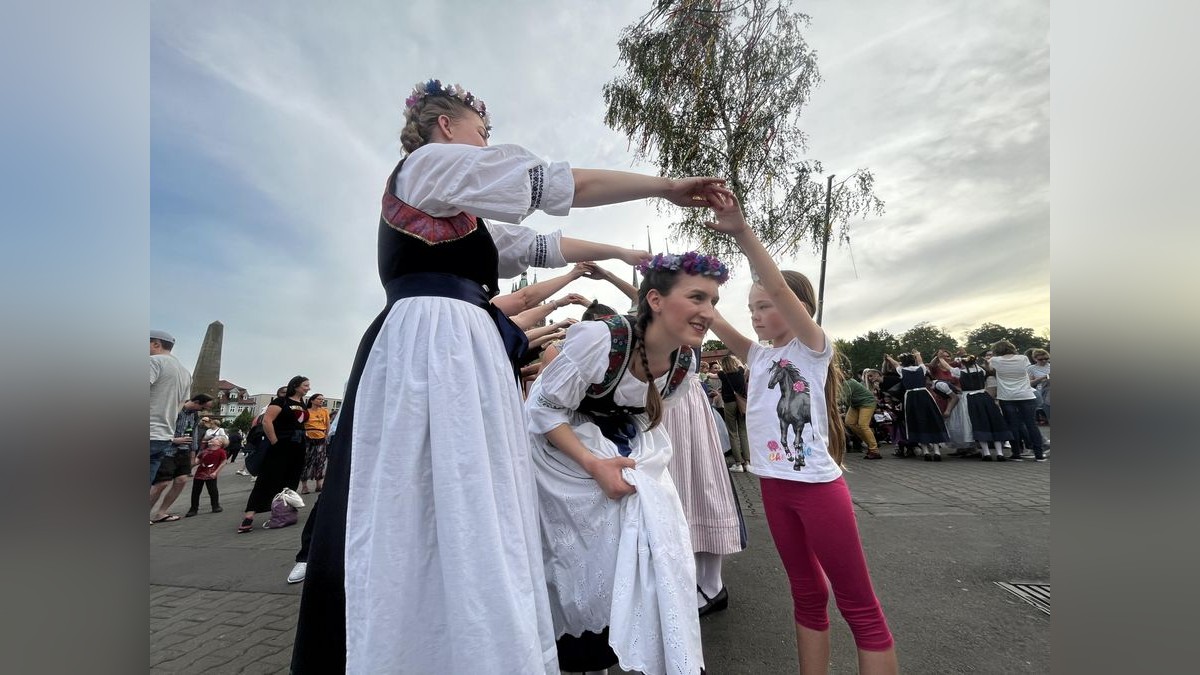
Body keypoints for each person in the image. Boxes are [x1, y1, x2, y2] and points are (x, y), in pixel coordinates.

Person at [291, 78, 726, 675]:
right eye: (482, 129)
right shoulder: (428, 167)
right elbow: (559, 185)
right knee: (431, 490)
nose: (487, 140)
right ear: (446, 125)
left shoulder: (454, 208)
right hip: (433, 342)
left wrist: (622, 256)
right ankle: (417, 640)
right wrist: (668, 187)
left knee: (472, 492)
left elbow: (541, 244)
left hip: (459, 342)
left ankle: (471, 635)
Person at [705, 189, 898, 675]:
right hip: (774, 487)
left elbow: (778, 286)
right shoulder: (759, 355)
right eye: (751, 306)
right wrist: (657, 279)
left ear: (795, 309)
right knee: (806, 594)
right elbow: (706, 315)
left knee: (858, 605)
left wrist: (742, 234)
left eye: (765, 305)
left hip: (817, 490)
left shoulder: (812, 347)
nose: (755, 313)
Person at [526, 251, 726, 674]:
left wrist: (624, 461)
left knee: (654, 527)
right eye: (696, 298)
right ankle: (580, 647)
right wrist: (593, 464)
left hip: (614, 446)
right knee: (583, 554)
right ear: (655, 300)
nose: (707, 312)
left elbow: (645, 417)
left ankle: (645, 641)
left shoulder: (683, 364)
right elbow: (542, 411)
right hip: (560, 448)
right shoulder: (602, 338)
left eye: (713, 301)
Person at [238, 376, 310, 532]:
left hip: (298, 446)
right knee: (267, 479)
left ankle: (283, 512)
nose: (308, 388)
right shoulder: (280, 402)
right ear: (296, 386)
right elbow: (267, 421)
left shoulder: (303, 404)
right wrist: (275, 441)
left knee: (291, 480)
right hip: (280, 444)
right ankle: (249, 515)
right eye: (305, 385)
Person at [150, 393, 214, 523]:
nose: (203, 411)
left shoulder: (194, 415)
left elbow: (194, 434)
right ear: (196, 402)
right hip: (168, 450)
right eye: (202, 408)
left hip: (184, 451)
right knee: (162, 483)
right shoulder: (175, 410)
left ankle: (161, 513)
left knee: (181, 480)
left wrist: (193, 454)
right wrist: (173, 440)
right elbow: (158, 429)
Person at [884, 352, 950, 461]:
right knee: (931, 420)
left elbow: (895, 364)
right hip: (924, 396)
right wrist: (918, 353)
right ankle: (937, 451)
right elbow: (920, 361)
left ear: (903, 363)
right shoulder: (921, 369)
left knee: (917, 421)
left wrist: (889, 358)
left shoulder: (902, 370)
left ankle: (925, 452)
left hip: (911, 398)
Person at [990, 340, 1047, 461]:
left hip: (1007, 396)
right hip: (1026, 394)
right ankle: (1039, 454)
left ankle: (1016, 453)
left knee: (1013, 425)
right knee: (1031, 424)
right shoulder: (1023, 358)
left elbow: (990, 370)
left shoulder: (995, 361)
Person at [150, 329, 191, 485]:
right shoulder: (185, 373)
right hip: (163, 436)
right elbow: (181, 404)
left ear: (156, 344)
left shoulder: (154, 361)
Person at [718, 354, 751, 471]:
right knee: (743, 431)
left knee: (732, 432)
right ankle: (747, 462)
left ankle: (738, 463)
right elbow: (742, 365)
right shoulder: (741, 371)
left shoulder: (722, 374)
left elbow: (719, 370)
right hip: (741, 404)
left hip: (729, 403)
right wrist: (736, 360)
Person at [842, 375, 882, 460]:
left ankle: (874, 450)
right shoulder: (842, 382)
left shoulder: (848, 382)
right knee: (849, 422)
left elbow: (846, 398)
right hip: (856, 404)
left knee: (863, 425)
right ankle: (870, 443)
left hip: (867, 402)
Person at [186, 435, 228, 517]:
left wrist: (216, 472)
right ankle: (193, 508)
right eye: (213, 438)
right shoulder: (204, 451)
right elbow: (197, 461)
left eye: (216, 439)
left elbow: (223, 462)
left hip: (211, 474)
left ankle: (215, 505)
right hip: (199, 474)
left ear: (220, 443)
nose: (212, 439)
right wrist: (191, 465)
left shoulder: (221, 452)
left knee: (212, 491)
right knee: (195, 492)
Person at [298, 393, 330, 495]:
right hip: (308, 437)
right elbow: (300, 423)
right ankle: (304, 486)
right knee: (306, 460)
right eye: (319, 399)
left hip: (321, 436)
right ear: (312, 400)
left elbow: (327, 424)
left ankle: (318, 484)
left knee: (320, 460)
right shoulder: (306, 411)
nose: (321, 401)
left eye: (322, 399)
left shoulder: (325, 411)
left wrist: (326, 436)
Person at [1027, 348, 1051, 423]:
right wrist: (1045, 377)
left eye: (1046, 359)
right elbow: (1030, 383)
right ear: (1035, 359)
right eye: (1041, 359)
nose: (1044, 361)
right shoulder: (1031, 368)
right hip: (1042, 388)